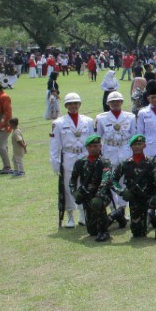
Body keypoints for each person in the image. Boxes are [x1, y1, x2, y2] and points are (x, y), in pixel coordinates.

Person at [111, 135, 156, 241]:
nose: (137, 146)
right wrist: (122, 192)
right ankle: (150, 216)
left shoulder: (152, 162)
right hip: (135, 199)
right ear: (130, 147)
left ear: (144, 145)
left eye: (139, 144)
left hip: (150, 197)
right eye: (134, 145)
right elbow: (112, 180)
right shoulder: (125, 164)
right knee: (138, 233)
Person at [51, 92, 94, 228]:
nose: (73, 106)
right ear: (66, 106)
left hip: (84, 156)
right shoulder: (58, 123)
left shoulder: (88, 121)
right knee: (69, 186)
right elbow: (54, 145)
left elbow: (93, 141)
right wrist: (55, 163)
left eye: (75, 103)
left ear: (79, 104)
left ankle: (82, 214)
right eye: (70, 104)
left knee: (84, 185)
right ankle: (70, 215)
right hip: (68, 157)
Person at [70, 135, 114, 241]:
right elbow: (72, 179)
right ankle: (115, 215)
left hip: (102, 195)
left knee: (96, 203)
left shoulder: (105, 162)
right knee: (92, 231)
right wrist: (75, 192)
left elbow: (106, 180)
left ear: (100, 146)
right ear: (86, 148)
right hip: (87, 196)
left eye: (95, 146)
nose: (93, 148)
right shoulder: (80, 162)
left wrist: (99, 195)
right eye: (90, 146)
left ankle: (104, 232)